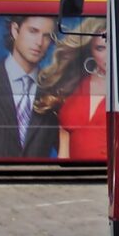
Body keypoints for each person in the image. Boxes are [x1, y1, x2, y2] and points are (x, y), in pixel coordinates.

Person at [32, 18, 108, 160]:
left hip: (110, 175)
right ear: (90, 51)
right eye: (100, 48)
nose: (108, 55)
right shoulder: (73, 86)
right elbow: (64, 147)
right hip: (76, 176)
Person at [0, 15, 58, 158]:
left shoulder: (54, 90)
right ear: (15, 30)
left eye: (47, 36)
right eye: (33, 31)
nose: (39, 42)